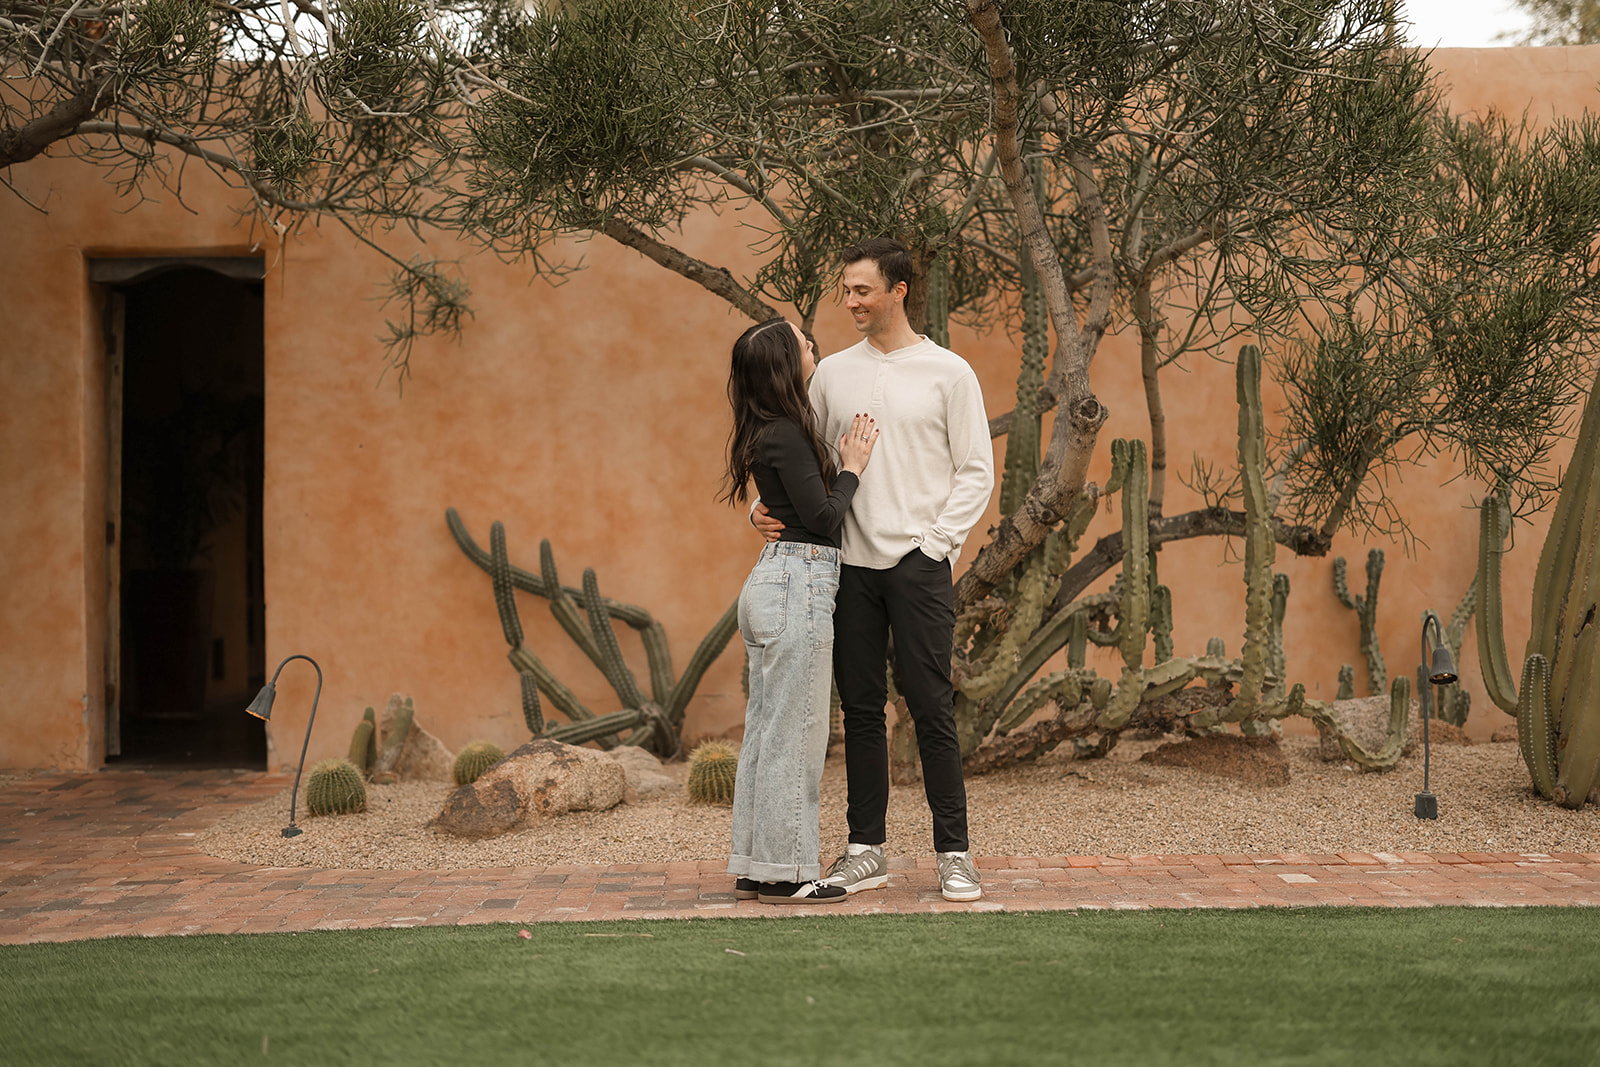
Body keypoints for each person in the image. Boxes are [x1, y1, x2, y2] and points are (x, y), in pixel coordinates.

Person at [754, 237, 995, 902]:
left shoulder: (950, 372)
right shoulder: (831, 375)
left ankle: (954, 854)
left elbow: (976, 470)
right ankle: (865, 851)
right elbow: (802, 458)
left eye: (862, 290)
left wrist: (936, 545)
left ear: (899, 290)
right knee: (860, 711)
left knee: (931, 707)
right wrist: (761, 506)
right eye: (847, 291)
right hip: (847, 570)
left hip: (919, 566)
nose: (851, 302)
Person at [723, 317, 879, 905]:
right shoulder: (787, 432)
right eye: (801, 341)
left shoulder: (768, 428)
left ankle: (757, 865)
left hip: (774, 581)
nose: (811, 344)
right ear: (786, 365)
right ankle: (789, 873)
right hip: (799, 581)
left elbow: (789, 505)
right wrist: (852, 467)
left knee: (767, 731)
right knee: (798, 733)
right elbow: (823, 517)